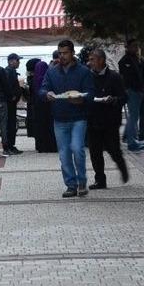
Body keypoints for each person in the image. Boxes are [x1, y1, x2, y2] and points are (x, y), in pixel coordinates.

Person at [39, 40, 94, 198]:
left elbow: (90, 93)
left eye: (65, 53)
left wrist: (82, 99)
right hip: (60, 117)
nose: (62, 56)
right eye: (60, 53)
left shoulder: (83, 71)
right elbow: (43, 88)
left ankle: (82, 181)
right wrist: (46, 94)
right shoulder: (52, 71)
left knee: (77, 148)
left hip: (78, 117)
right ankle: (71, 184)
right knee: (64, 154)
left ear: (72, 53)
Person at [86, 49, 130, 190]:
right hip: (93, 119)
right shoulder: (88, 77)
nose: (90, 62)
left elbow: (124, 97)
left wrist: (113, 99)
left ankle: (122, 166)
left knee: (113, 149)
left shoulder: (114, 77)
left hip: (110, 120)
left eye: (92, 59)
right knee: (95, 152)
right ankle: (100, 180)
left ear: (101, 60)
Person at [118, 39, 144, 152]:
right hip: (132, 91)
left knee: (134, 117)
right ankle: (132, 141)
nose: (136, 48)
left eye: (137, 46)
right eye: (134, 46)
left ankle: (132, 139)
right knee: (133, 117)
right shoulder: (125, 61)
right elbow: (127, 78)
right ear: (128, 47)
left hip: (138, 90)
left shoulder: (137, 59)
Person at [30, 58, 57, 153]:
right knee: (49, 126)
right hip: (47, 105)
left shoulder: (34, 79)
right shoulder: (46, 79)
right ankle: (51, 146)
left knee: (40, 126)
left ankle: (41, 146)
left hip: (37, 106)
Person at [5, 53, 23, 155]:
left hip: (12, 103)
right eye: (17, 60)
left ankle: (11, 145)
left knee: (12, 124)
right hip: (10, 104)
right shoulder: (9, 72)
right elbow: (8, 87)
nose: (19, 62)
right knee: (11, 125)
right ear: (11, 61)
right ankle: (9, 145)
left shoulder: (11, 71)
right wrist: (13, 96)